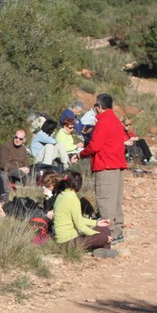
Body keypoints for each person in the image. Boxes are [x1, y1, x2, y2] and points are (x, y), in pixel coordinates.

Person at [78, 93, 130, 243]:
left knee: (106, 201)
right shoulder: (116, 121)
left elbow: (95, 146)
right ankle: (117, 231)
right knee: (115, 201)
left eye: (95, 106)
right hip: (117, 165)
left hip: (106, 166)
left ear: (99, 107)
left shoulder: (103, 122)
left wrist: (80, 154)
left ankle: (108, 234)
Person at [51, 172, 116, 257]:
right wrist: (97, 234)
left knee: (104, 229)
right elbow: (80, 227)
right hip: (68, 242)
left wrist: (97, 223)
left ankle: (102, 250)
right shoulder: (72, 199)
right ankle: (105, 250)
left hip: (64, 241)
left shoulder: (61, 196)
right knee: (103, 236)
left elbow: (78, 219)